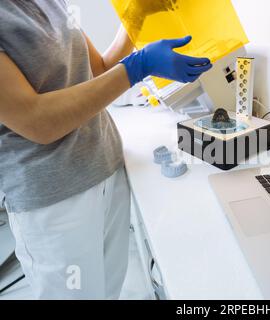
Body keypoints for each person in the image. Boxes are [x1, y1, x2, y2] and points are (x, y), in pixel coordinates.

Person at [0, 0, 212, 299]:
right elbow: (37, 122)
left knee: (108, 290)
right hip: (54, 198)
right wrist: (138, 66)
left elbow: (96, 71)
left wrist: (135, 15)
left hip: (106, 167)